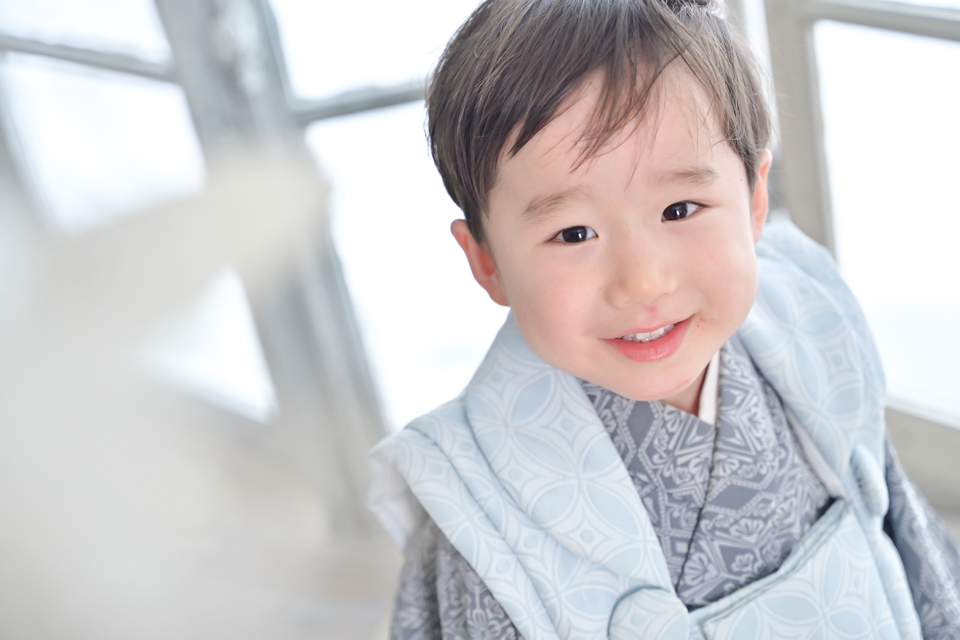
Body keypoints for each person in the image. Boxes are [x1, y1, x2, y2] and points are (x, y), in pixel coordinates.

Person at [368, 0, 960, 638]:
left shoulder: (809, 329)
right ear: (487, 262)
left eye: (680, 209)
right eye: (574, 233)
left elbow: (906, 548)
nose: (644, 281)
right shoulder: (482, 510)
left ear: (755, 200)